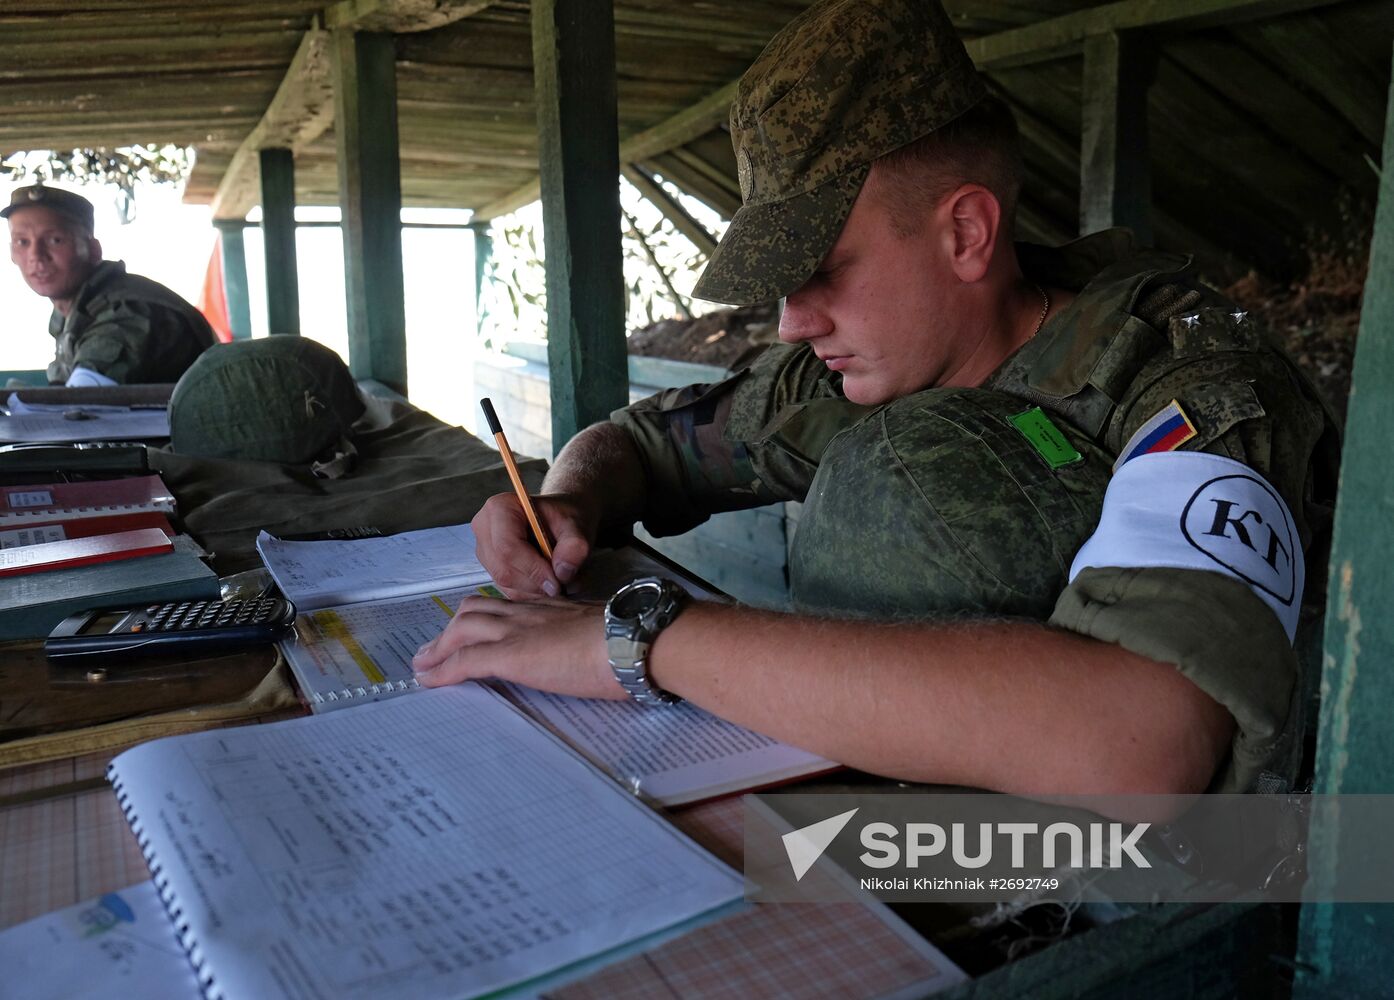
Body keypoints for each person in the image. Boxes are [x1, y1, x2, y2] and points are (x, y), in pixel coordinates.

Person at [413, 0, 1339, 810]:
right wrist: (571, 502)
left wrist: (639, 644)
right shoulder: (866, 368)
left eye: (821, 272)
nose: (789, 321)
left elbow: (1143, 748)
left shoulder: (1185, 388)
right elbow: (637, 442)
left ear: (966, 233)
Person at [4, 184, 216, 385]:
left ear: (93, 250)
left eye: (55, 240)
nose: (36, 256)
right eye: (22, 242)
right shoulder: (76, 310)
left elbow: (83, 404)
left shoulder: (127, 309)